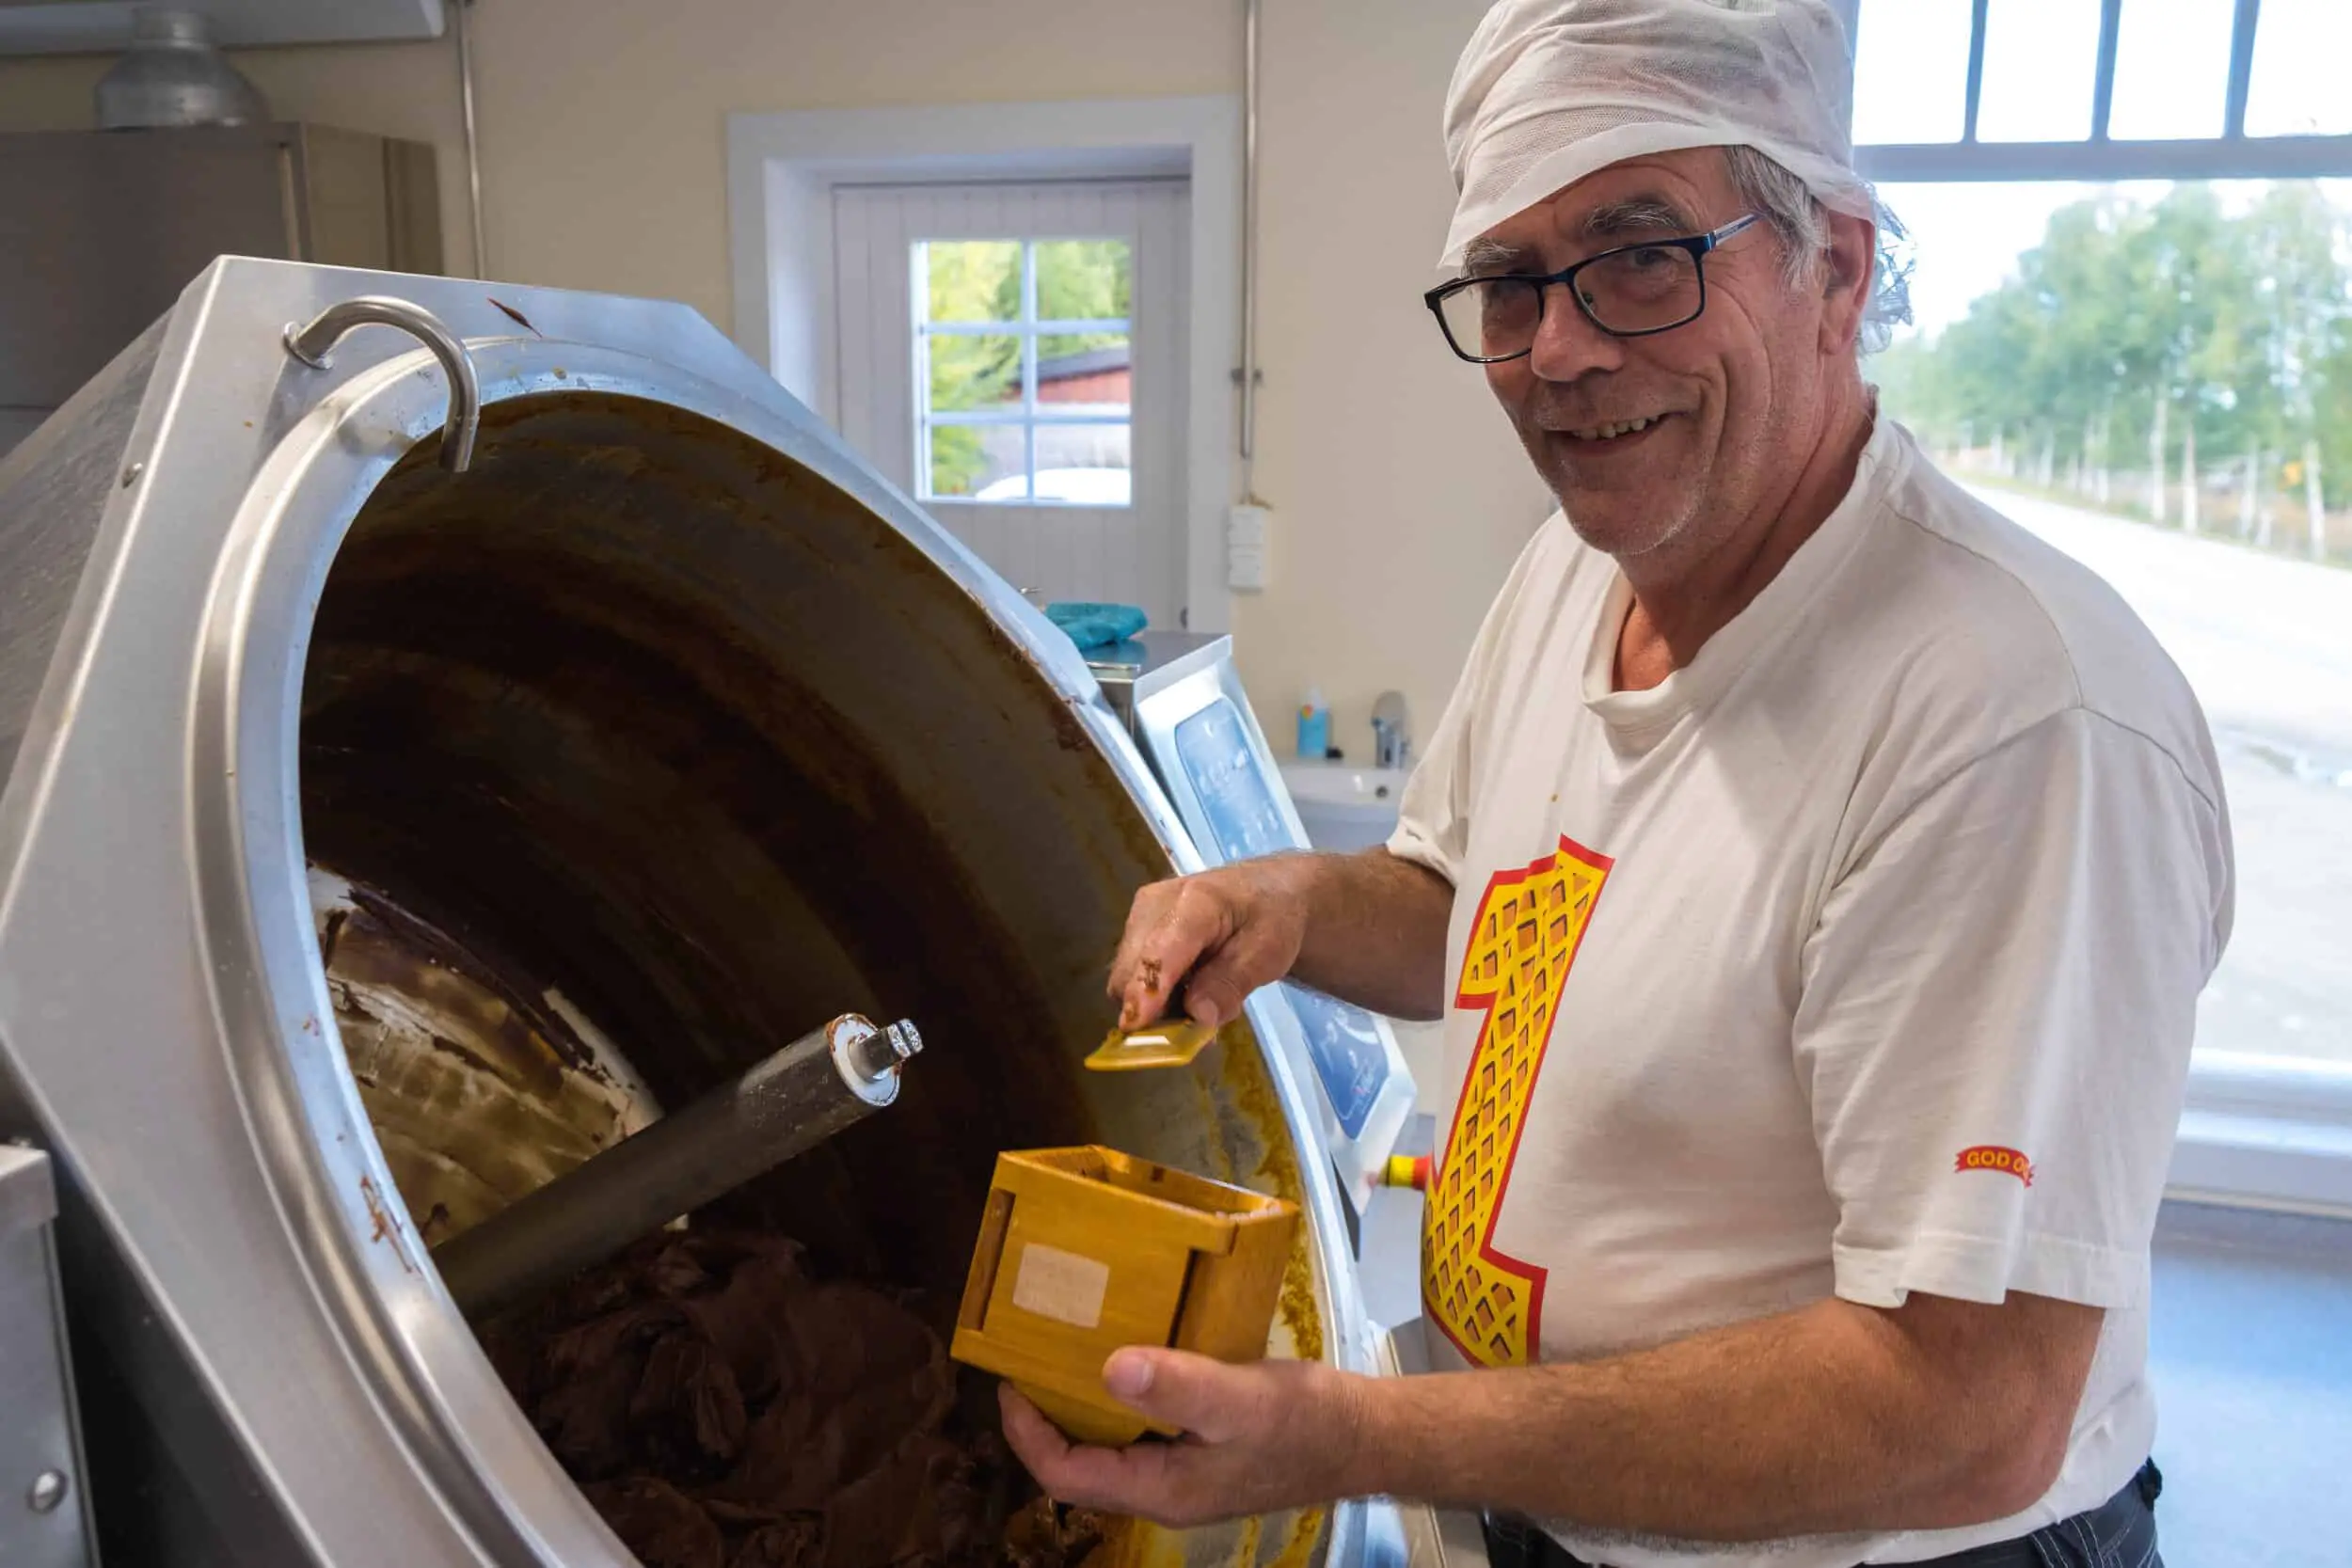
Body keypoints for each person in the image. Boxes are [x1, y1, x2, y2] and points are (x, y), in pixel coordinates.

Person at [997, 3, 2232, 1565]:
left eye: (1642, 254)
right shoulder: (1581, 575)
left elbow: (1969, 1405)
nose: (1562, 348)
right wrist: (1291, 902)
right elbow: (1483, 913)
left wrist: (1353, 1433)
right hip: (1566, 1502)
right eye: (1511, 282)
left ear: (1837, 269)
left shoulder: (2008, 714)